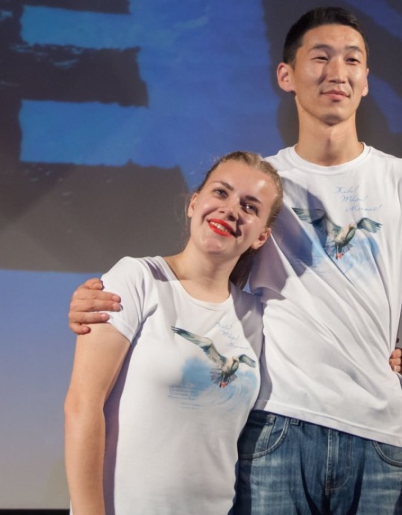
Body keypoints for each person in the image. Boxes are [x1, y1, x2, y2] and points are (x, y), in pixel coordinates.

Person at [68, 6, 402, 515]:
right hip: (277, 428)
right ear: (286, 75)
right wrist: (96, 300)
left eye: (352, 59)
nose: (337, 71)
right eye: (321, 57)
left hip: (381, 436)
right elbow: (205, 280)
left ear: (366, 79)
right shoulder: (261, 185)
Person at [64, 151, 283, 514]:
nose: (231, 209)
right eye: (221, 192)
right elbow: (82, 406)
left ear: (262, 236)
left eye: (249, 207)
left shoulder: (257, 316)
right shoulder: (137, 279)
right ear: (194, 203)